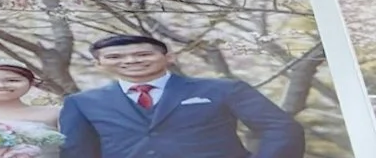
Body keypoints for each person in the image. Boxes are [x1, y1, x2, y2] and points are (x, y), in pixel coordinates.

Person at [59, 34, 305, 158]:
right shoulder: (81, 103)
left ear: (169, 57)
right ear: (99, 64)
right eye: (115, 57)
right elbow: (77, 151)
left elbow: (281, 128)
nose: (131, 61)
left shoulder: (223, 89)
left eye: (143, 54)